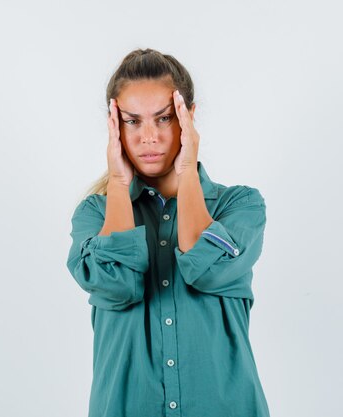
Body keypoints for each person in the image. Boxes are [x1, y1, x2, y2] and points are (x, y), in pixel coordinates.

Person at [66, 48, 270, 417]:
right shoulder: (95, 215)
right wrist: (116, 181)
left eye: (163, 118)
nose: (149, 136)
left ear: (188, 118)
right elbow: (118, 284)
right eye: (132, 121)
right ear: (114, 124)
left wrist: (187, 168)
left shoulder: (240, 207)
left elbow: (203, 266)